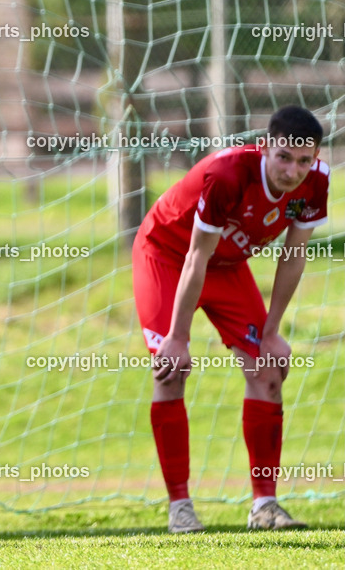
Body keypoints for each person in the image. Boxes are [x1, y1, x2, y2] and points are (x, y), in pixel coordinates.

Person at [132, 106, 328, 533]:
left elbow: (293, 255)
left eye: (304, 161)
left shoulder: (316, 183)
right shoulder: (228, 175)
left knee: (267, 371)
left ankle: (265, 506)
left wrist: (272, 332)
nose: (293, 170)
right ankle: (180, 508)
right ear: (266, 146)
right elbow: (195, 256)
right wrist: (178, 337)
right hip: (167, 255)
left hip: (226, 266)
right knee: (170, 371)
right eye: (284, 157)